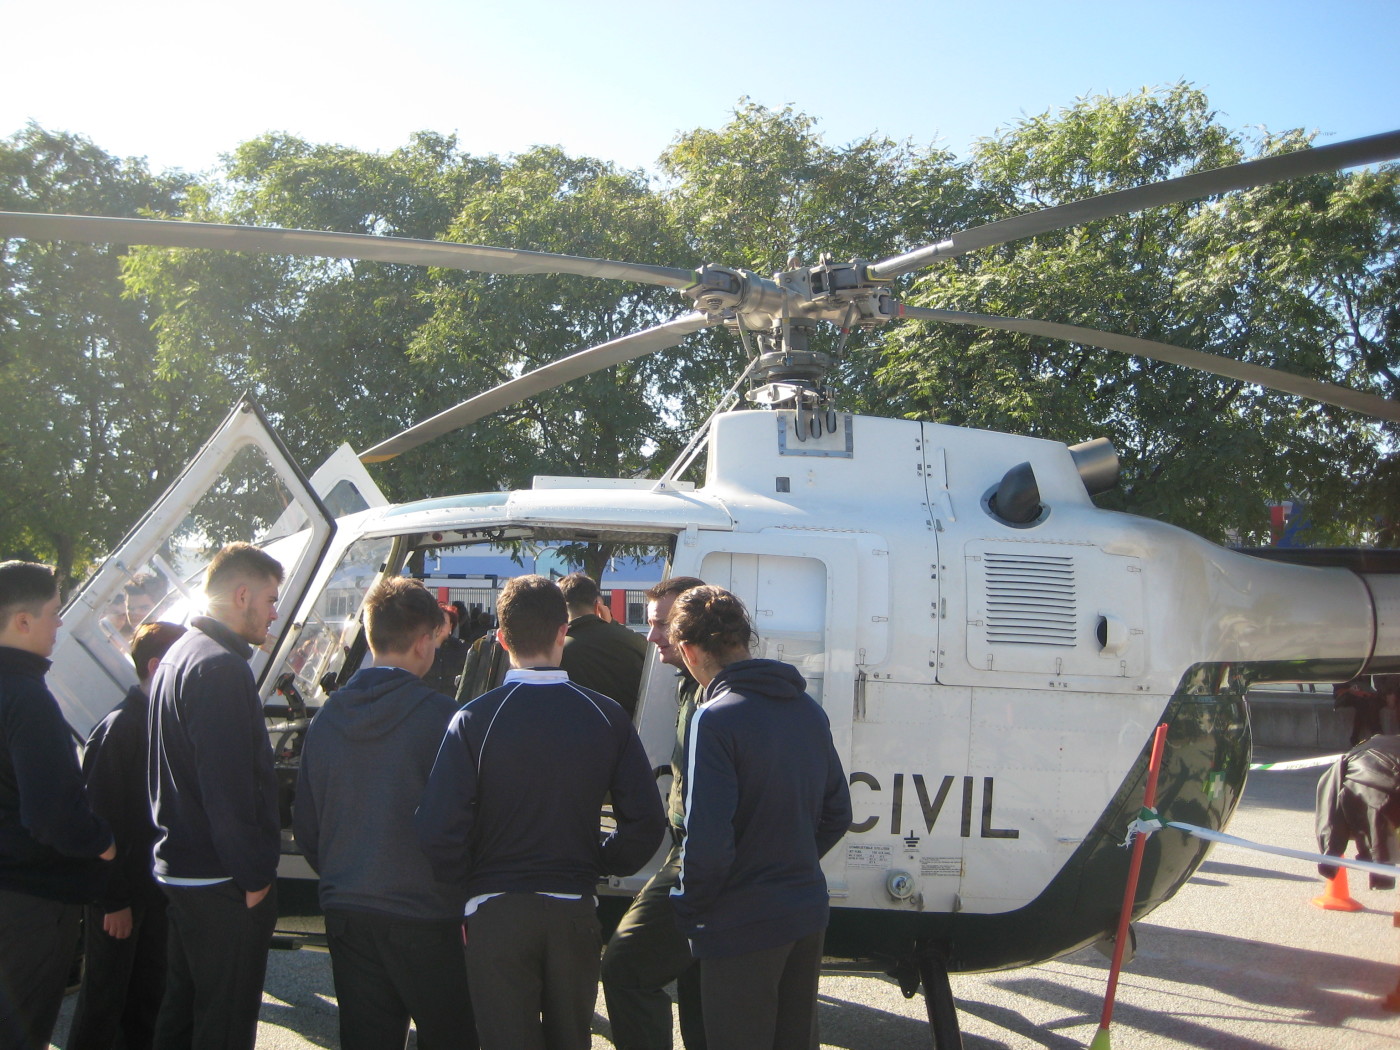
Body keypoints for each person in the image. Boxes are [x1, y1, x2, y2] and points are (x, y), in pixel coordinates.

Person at [416, 574, 666, 1050]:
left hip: (495, 908)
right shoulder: (605, 715)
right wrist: (599, 860)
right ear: (562, 634)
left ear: (502, 638)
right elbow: (647, 823)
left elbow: (435, 828)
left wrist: (473, 879)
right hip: (572, 905)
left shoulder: (474, 718)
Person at [294, 577, 477, 1050]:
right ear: (422, 642)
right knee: (453, 1035)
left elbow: (308, 823)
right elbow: (465, 819)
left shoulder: (328, 717)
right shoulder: (444, 718)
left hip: (348, 904)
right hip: (426, 911)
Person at [668, 586, 851, 1050]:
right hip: (805, 910)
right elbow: (838, 812)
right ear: (742, 640)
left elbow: (708, 840)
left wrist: (688, 907)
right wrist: (790, 860)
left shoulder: (715, 718)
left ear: (689, 650)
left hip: (740, 921)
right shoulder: (808, 710)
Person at [147, 543, 283, 1050]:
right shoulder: (221, 667)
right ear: (241, 594)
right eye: (270, 600)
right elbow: (227, 789)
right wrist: (252, 876)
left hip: (183, 870)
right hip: (220, 881)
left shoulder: (180, 654)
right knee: (223, 1023)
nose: (274, 612)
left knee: (181, 1015)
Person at [0, 561, 116, 1050]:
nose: (60, 623)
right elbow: (51, 815)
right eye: (53, 612)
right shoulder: (27, 698)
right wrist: (103, 844)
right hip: (32, 901)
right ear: (22, 622)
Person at [601, 576, 708, 1050]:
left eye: (662, 625)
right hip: (699, 854)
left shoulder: (716, 700)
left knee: (625, 966)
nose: (651, 637)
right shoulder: (693, 687)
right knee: (700, 987)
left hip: (699, 860)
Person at [70, 620, 188, 1050]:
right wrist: (113, 901)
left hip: (151, 894)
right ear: (157, 667)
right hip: (120, 899)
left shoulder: (160, 723)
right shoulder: (120, 728)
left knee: (145, 1000)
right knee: (105, 1003)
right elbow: (100, 823)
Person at [558, 573, 647, 717]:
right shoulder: (634, 640)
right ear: (597, 605)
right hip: (634, 732)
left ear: (560, 608)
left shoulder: (557, 650)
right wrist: (612, 624)